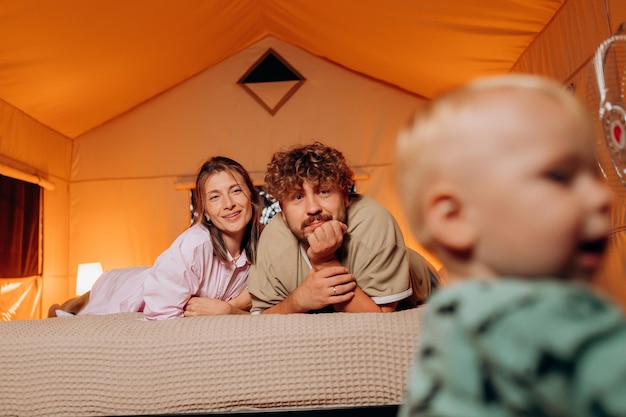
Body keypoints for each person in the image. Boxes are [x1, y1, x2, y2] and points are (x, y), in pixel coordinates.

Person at [394, 74, 626, 416]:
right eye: (559, 176)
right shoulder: (556, 317)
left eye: (595, 173)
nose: (602, 196)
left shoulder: (449, 322)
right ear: (455, 218)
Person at [48, 156, 262, 320]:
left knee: (81, 303)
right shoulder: (195, 246)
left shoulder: (263, 247)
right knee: (78, 306)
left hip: (154, 274)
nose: (228, 204)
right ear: (205, 210)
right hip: (130, 288)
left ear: (251, 196)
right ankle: (57, 310)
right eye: (215, 197)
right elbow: (161, 315)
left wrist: (230, 309)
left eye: (236, 191)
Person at [246, 141, 436, 314]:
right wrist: (297, 302)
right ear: (283, 211)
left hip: (424, 283)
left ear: (345, 195)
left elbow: (381, 319)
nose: (313, 208)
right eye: (297, 197)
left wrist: (325, 262)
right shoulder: (273, 239)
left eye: (323, 191)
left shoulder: (374, 221)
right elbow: (261, 316)